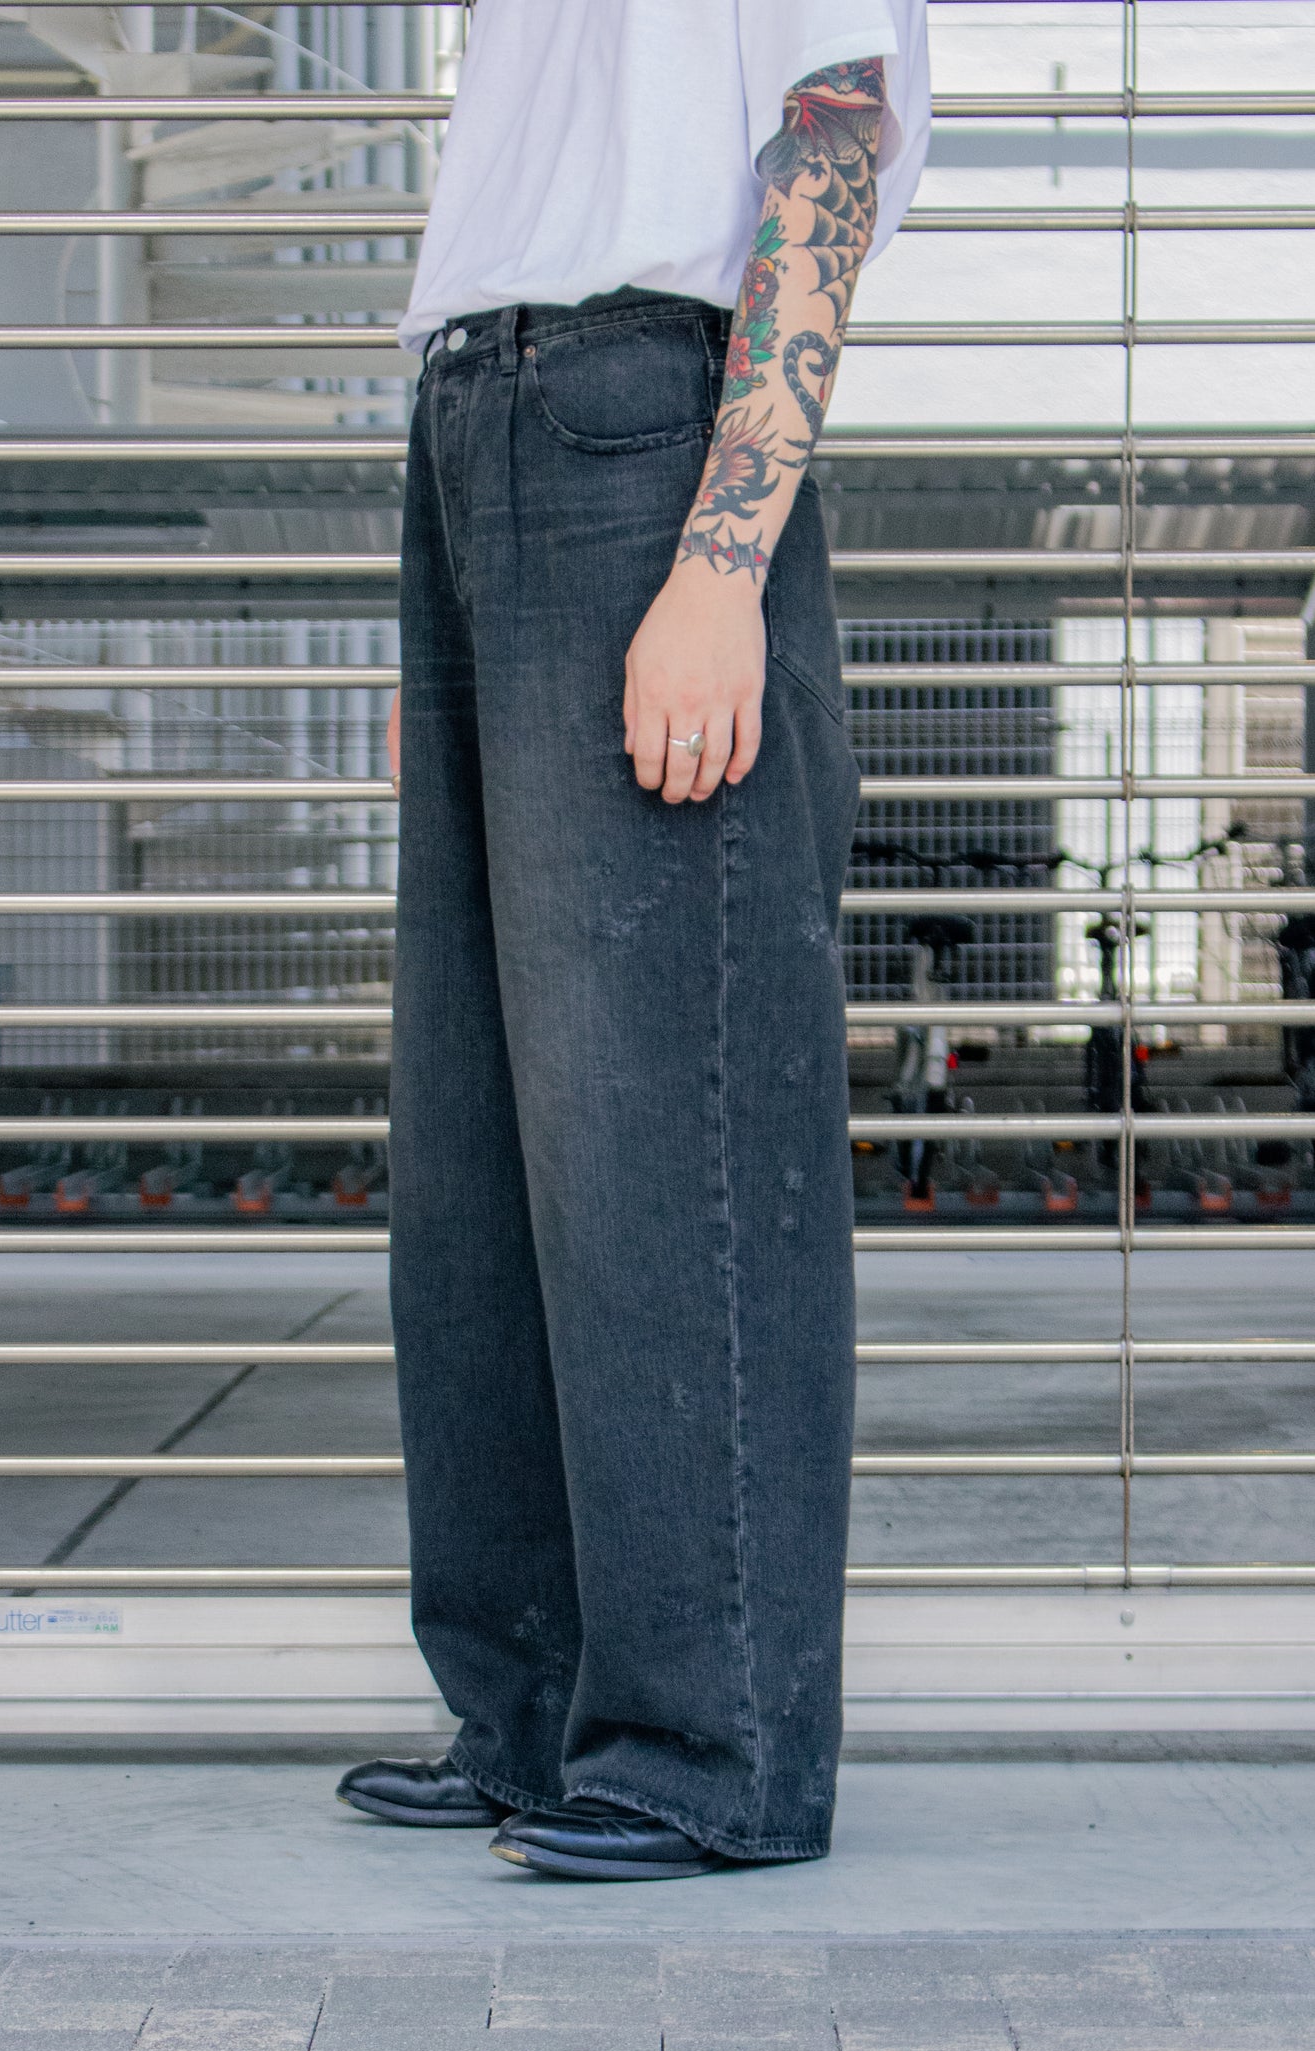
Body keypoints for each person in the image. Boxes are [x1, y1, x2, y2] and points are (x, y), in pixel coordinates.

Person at [337, 0, 930, 1881]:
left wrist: (720, 565)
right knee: (485, 1153)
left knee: (665, 1134)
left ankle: (707, 1747)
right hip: (474, 425)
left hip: (644, 433)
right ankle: (527, 1712)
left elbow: (829, 147)